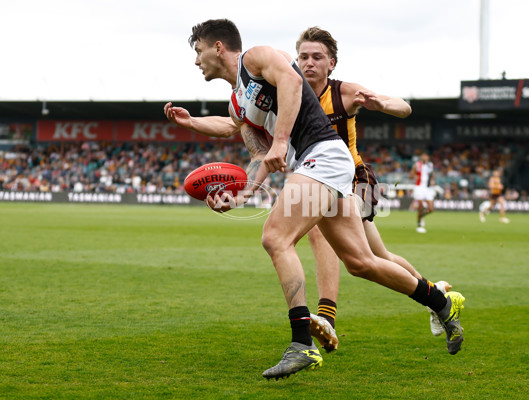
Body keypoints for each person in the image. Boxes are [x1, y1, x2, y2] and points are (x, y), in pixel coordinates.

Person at [166, 19, 465, 380]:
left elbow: (292, 81)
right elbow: (258, 154)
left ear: (217, 47)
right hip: (319, 163)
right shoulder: (237, 101)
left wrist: (281, 142)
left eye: (198, 51)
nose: (196, 61)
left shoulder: (256, 58)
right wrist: (242, 194)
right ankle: (440, 302)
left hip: (322, 155)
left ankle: (302, 343)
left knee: (276, 238)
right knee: (362, 262)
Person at [294, 27, 453, 343]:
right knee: (378, 257)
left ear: (332, 63)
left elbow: (403, 107)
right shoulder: (289, 91)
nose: (309, 63)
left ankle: (326, 317)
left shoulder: (345, 92)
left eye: (317, 57)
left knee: (317, 230)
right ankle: (435, 294)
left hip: (355, 178)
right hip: (320, 177)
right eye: (303, 57)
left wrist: (381, 105)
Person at [409, 152, 435, 233]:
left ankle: (421, 217)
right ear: (421, 157)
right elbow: (410, 176)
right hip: (419, 187)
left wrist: (432, 180)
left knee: (431, 209)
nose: (425, 157)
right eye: (423, 156)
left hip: (427, 188)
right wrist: (414, 176)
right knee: (421, 206)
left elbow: (432, 174)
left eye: (426, 156)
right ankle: (419, 224)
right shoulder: (417, 165)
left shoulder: (430, 165)